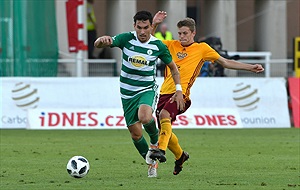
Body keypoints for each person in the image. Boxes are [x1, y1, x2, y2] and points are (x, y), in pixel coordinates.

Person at [149, 11, 265, 175]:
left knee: (165, 116)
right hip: (164, 93)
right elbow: (149, 41)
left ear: (193, 33)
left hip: (182, 95)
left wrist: (250, 67)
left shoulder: (202, 49)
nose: (181, 36)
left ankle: (160, 150)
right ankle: (180, 156)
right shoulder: (171, 45)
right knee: (164, 130)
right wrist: (154, 24)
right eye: (180, 33)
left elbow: (225, 62)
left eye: (185, 33)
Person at [94, 10, 185, 178]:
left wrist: (179, 89)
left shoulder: (158, 45)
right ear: (134, 26)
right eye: (139, 28)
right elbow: (100, 45)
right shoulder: (126, 38)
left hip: (146, 89)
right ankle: (151, 162)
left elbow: (173, 68)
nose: (142, 32)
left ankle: (154, 142)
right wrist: (101, 40)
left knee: (145, 117)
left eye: (146, 27)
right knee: (135, 133)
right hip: (127, 92)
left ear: (151, 27)